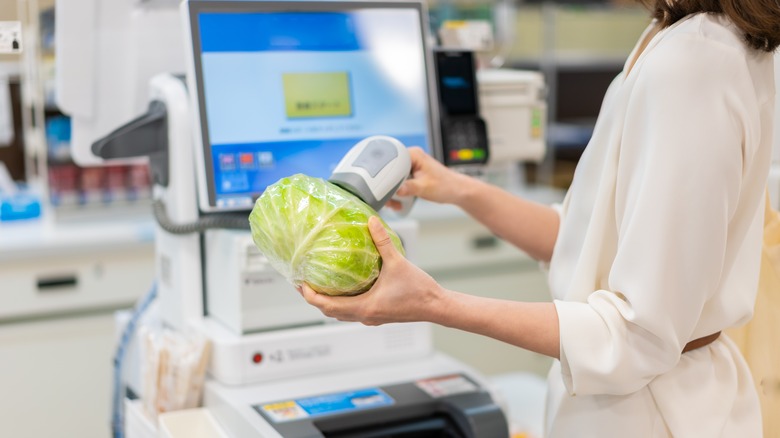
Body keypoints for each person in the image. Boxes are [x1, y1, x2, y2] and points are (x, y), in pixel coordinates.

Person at [299, 0, 779, 435]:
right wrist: (458, 189)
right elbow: (583, 240)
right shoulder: (674, 33)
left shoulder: (695, 63)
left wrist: (432, 303)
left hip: (654, 413)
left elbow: (637, 337)